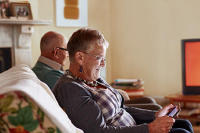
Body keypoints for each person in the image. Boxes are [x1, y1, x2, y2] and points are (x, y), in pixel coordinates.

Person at [53, 28, 193, 133]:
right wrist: (149, 128)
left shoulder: (94, 80)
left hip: (133, 128)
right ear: (80, 58)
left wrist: (155, 115)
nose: (103, 64)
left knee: (185, 124)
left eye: (104, 59)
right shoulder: (71, 88)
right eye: (99, 58)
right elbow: (98, 131)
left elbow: (121, 109)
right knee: (182, 132)